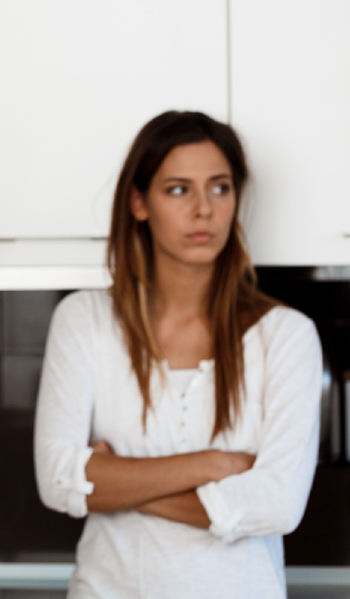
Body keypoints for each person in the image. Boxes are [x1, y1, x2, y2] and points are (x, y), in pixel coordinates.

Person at [34, 110, 322, 598]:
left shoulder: (286, 336)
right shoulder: (83, 321)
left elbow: (277, 505)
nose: (204, 209)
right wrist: (213, 465)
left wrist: (115, 484)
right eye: (178, 189)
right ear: (139, 202)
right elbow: (58, 480)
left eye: (220, 187)